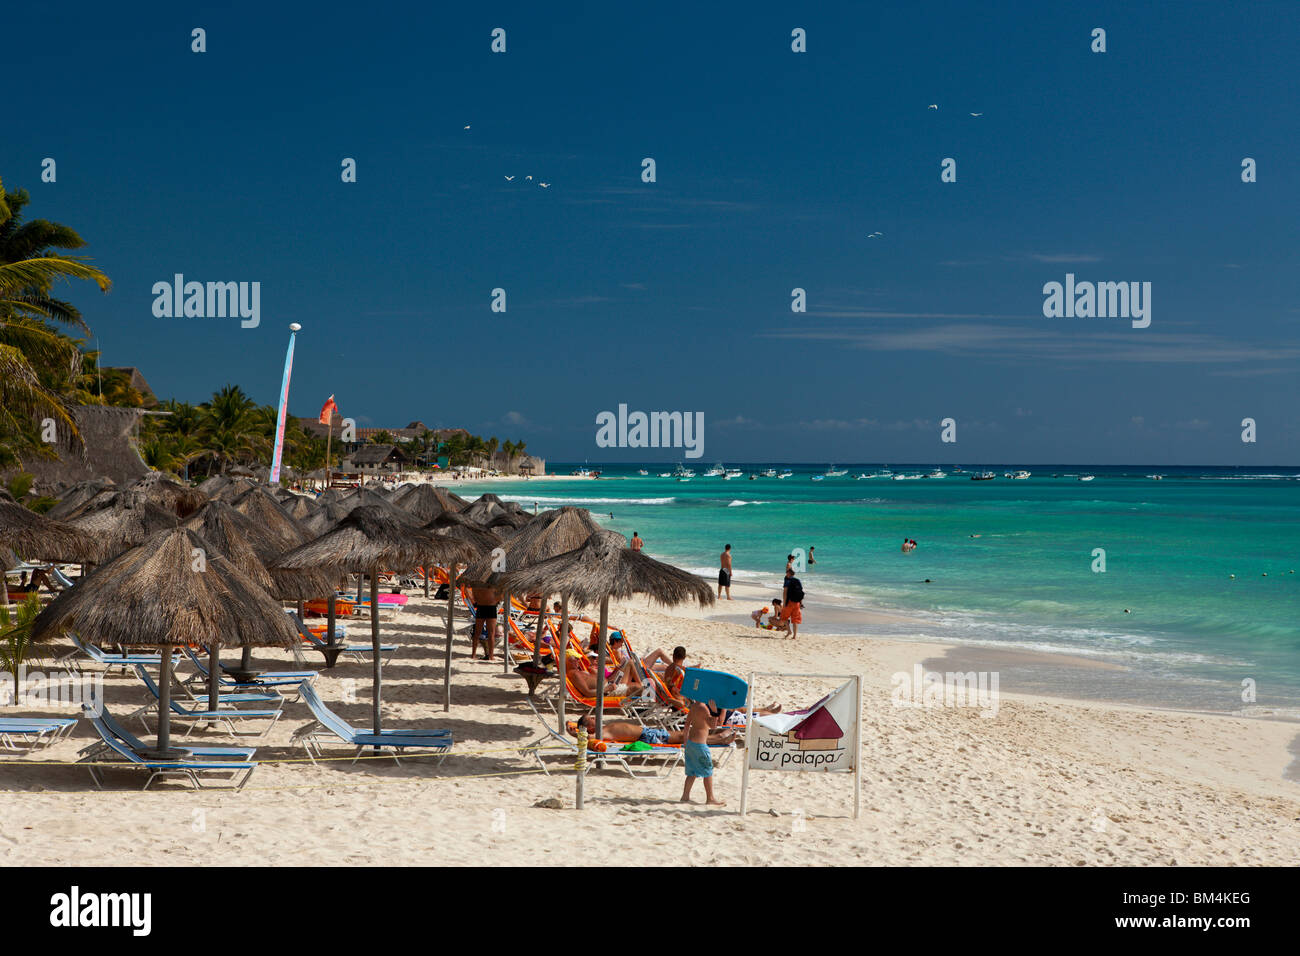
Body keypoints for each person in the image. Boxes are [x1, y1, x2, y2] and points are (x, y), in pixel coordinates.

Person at [572, 714, 735, 748]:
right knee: (681, 736)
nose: (595, 717)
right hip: (646, 736)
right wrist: (575, 729)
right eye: (591, 718)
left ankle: (717, 737)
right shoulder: (599, 733)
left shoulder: (602, 729)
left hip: (647, 733)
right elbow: (581, 734)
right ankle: (719, 738)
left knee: (680, 735)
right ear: (590, 726)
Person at [681, 700, 725, 805]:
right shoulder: (704, 708)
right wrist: (715, 711)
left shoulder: (695, 706)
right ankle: (710, 798)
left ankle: (685, 796)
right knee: (708, 771)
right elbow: (713, 726)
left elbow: (687, 724)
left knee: (692, 772)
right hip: (700, 744)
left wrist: (685, 741)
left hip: (691, 743)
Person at [470, 584, 500, 660]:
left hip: (482, 607)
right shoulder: (494, 584)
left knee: (478, 633)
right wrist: (494, 600)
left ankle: (474, 654)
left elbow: (473, 596)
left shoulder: (477, 584)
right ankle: (491, 656)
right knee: (490, 634)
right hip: (490, 607)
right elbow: (501, 595)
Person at [781, 568, 803, 640]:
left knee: (784, 617)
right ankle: (795, 636)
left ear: (789, 573)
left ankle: (789, 631)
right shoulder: (798, 580)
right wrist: (801, 602)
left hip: (789, 602)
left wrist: (784, 603)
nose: (786, 574)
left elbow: (785, 592)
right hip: (797, 603)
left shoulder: (787, 581)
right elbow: (801, 593)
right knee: (795, 620)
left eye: (786, 572)